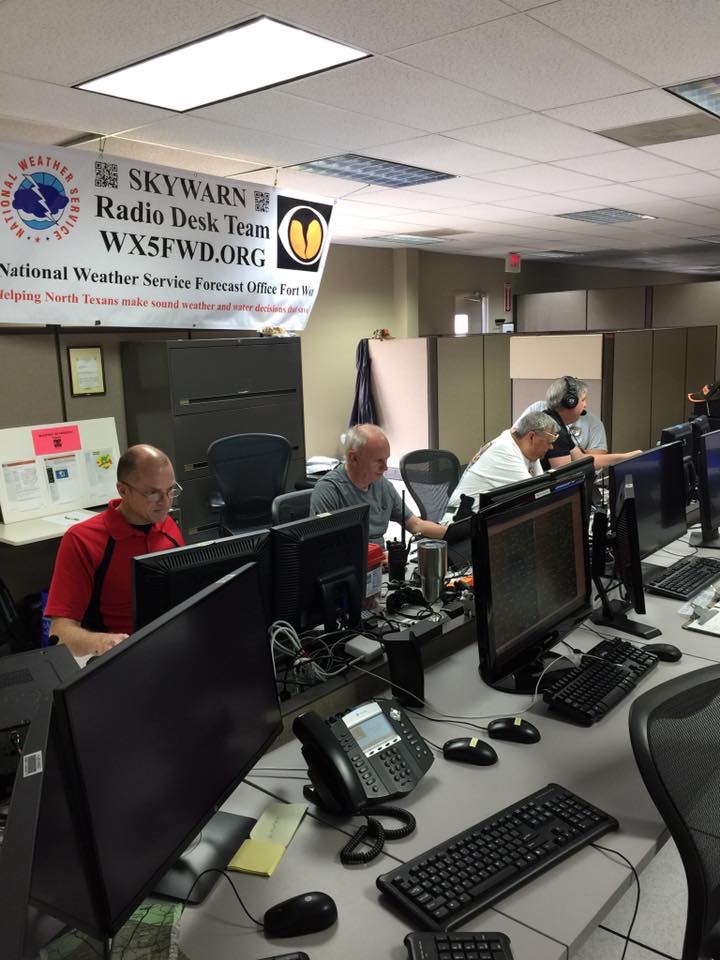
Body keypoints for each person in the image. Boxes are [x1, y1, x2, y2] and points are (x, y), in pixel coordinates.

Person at [45, 444, 184, 657]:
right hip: (115, 655)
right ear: (123, 490)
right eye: (153, 493)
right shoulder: (82, 539)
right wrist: (101, 641)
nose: (166, 502)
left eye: (171, 490)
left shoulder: (168, 527)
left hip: (167, 647)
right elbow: (60, 632)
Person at [310, 424, 448, 547]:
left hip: (379, 566)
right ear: (354, 458)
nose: (386, 467)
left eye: (386, 459)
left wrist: (454, 532)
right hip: (352, 568)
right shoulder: (328, 490)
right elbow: (326, 548)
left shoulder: (381, 485)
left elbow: (416, 524)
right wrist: (377, 557)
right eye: (378, 461)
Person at [440, 411, 559, 523]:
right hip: (460, 522)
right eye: (549, 442)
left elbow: (544, 489)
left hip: (482, 521)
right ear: (531, 436)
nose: (551, 448)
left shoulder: (525, 448)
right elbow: (536, 496)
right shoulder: (505, 452)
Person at [533, 376, 641, 469]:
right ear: (570, 402)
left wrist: (626, 457)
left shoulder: (554, 421)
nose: (585, 405)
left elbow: (581, 459)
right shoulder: (554, 430)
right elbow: (563, 477)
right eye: (583, 400)